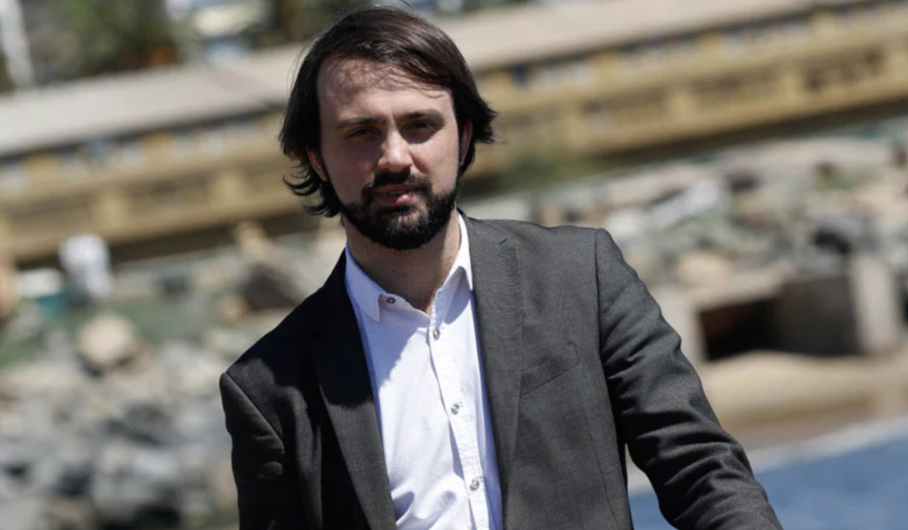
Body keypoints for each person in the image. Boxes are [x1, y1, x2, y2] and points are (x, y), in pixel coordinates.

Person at [219, 5, 783, 530]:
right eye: (361, 133)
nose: (394, 157)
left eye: (420, 125)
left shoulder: (580, 277)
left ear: (464, 135)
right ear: (316, 157)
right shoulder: (269, 387)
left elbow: (700, 469)